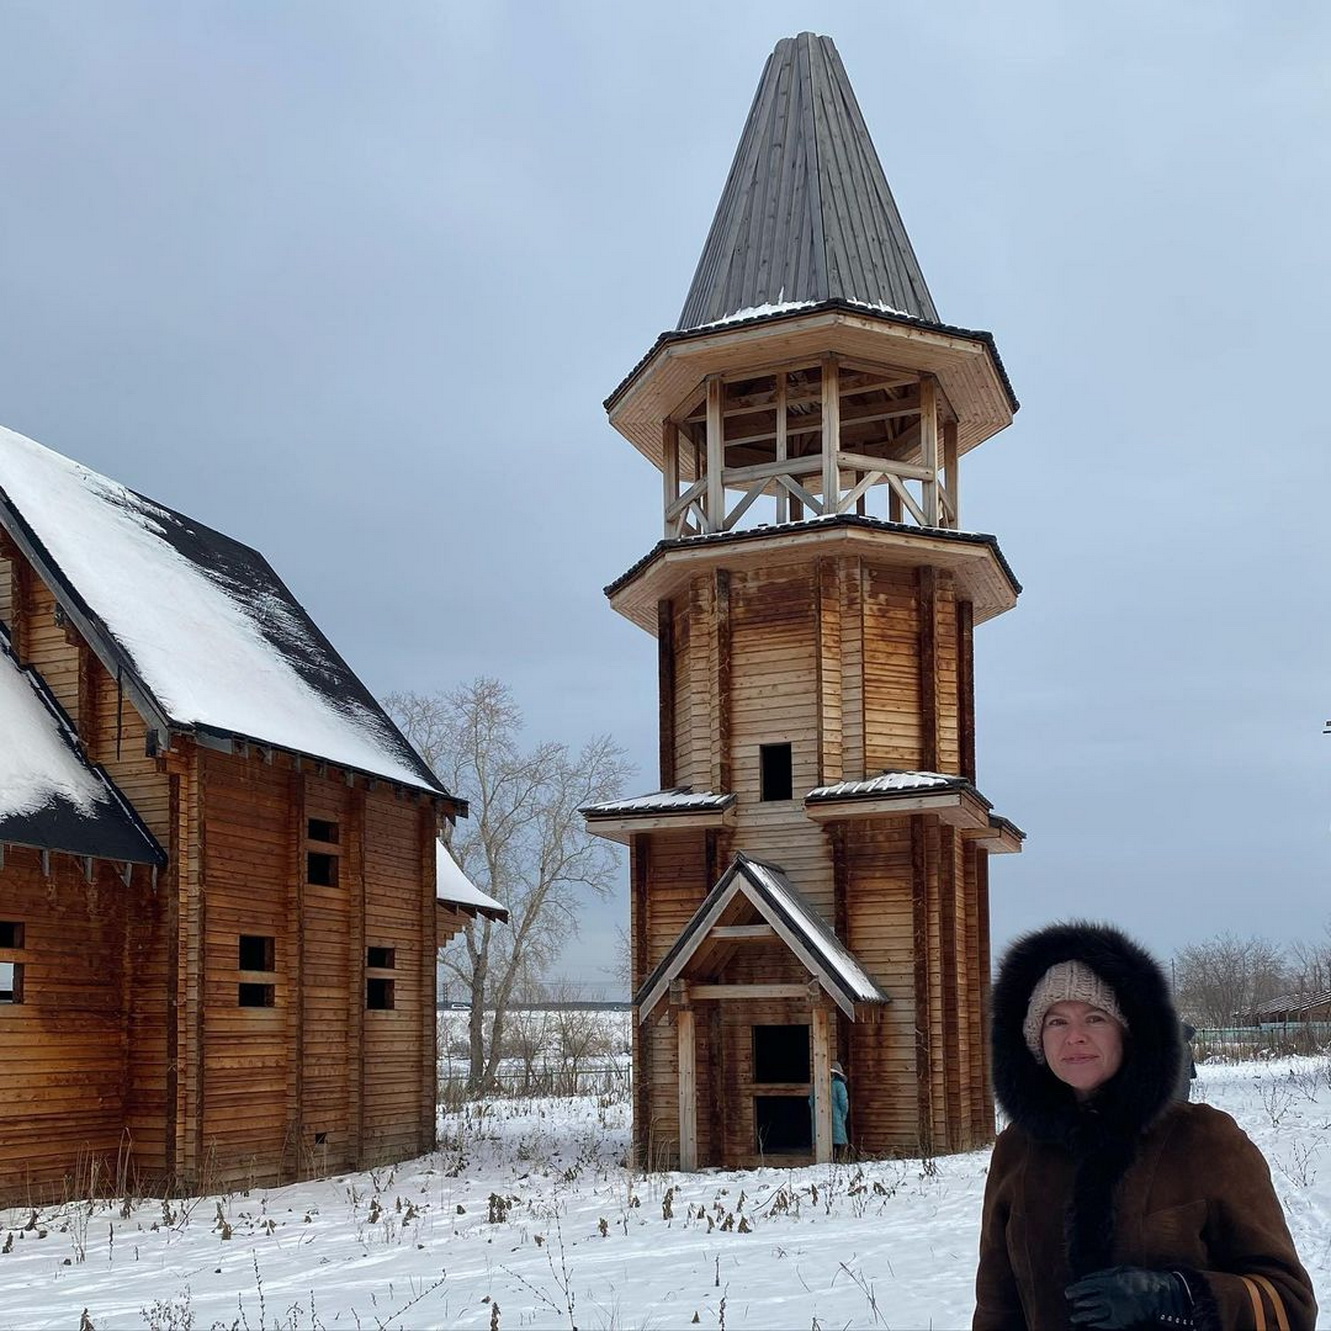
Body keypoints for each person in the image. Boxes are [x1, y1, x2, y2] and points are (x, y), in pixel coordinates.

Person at [973, 921, 1315, 1330]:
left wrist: (1177, 1296)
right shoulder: (1018, 1149)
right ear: (1036, 1041)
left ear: (1129, 1033)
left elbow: (1289, 1305)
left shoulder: (1205, 1140)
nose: (1075, 1037)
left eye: (1095, 1018)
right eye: (1056, 1022)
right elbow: (997, 1306)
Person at [809, 1060, 850, 1159]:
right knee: (838, 1142)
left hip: (819, 1120)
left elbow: (811, 1101)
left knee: (822, 1142)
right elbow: (844, 1103)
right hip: (837, 1118)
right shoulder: (839, 1085)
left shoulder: (817, 1085)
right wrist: (843, 1115)